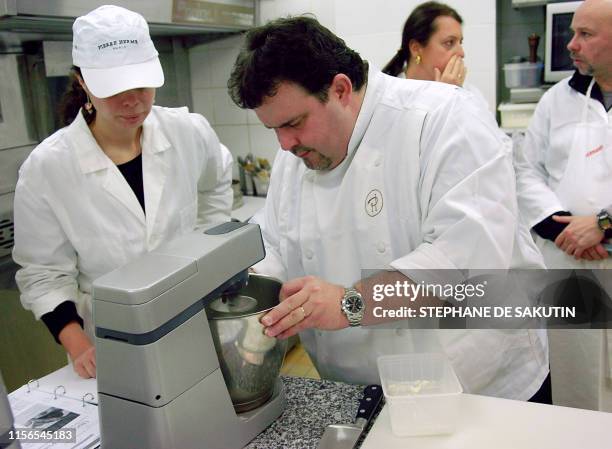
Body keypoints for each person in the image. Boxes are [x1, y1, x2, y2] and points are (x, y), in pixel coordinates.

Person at [228, 16, 551, 403]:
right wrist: (247, 282)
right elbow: (277, 244)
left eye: (294, 123)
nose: (284, 144)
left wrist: (350, 302)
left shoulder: (445, 118)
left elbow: (465, 259)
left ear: (341, 89)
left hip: (480, 386)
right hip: (359, 392)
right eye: (274, 129)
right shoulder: (296, 157)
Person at [12, 5, 233, 379]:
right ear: (82, 82)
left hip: (196, 318)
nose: (132, 100)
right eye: (114, 88)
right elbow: (43, 275)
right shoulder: (47, 168)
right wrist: (80, 345)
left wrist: (210, 259)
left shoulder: (187, 131)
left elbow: (215, 189)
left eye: (142, 84)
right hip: (108, 346)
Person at [514, 0, 612, 411]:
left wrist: (604, 225)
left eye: (585, 35)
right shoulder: (556, 101)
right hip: (569, 262)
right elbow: (525, 172)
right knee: (577, 381)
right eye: (573, 32)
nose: (571, 44)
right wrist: (564, 229)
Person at [382, 1, 489, 110]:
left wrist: (456, 96)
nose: (461, 53)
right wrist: (446, 98)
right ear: (416, 48)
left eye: (460, 42)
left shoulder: (470, 94)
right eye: (449, 42)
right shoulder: (391, 100)